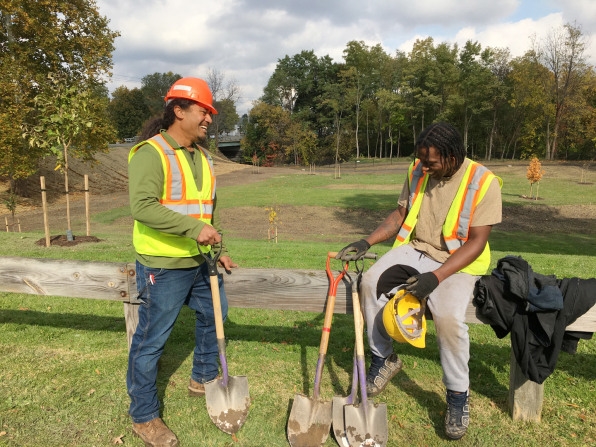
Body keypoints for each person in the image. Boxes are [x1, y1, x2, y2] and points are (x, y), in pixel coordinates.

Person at [336, 122, 502, 440]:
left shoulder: (484, 182)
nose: (424, 167)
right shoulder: (417, 170)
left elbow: (477, 242)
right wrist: (367, 242)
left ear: (452, 156)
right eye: (422, 161)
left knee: (449, 319)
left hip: (458, 263)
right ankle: (383, 358)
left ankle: (457, 395)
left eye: (431, 162)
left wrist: (435, 278)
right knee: (369, 282)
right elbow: (400, 215)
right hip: (416, 251)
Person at [126, 77, 237, 447]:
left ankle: (201, 377)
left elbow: (205, 210)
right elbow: (142, 208)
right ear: (179, 110)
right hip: (163, 265)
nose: (209, 118)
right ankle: (143, 416)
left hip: (201, 261)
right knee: (151, 340)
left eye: (210, 113)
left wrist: (217, 250)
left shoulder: (203, 157)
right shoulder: (150, 153)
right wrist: (193, 230)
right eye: (204, 110)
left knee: (213, 316)